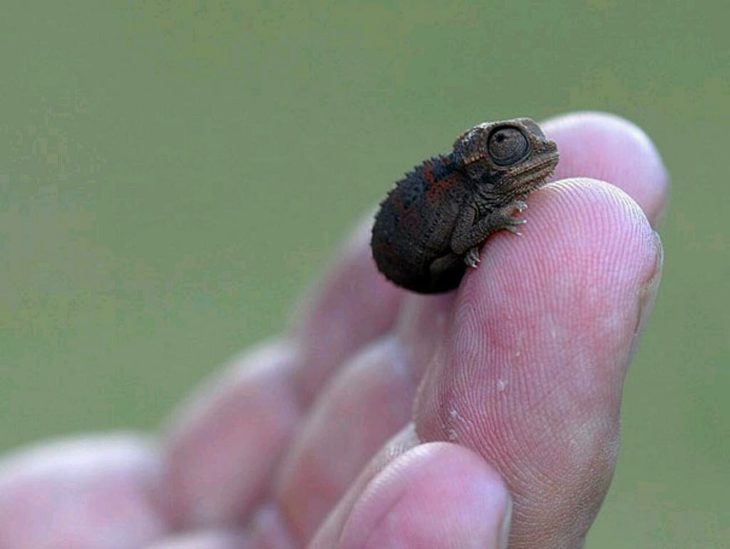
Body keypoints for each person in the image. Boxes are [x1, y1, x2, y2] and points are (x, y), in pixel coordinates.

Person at [0, 112, 668, 548]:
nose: (532, 159)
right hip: (410, 253)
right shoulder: (467, 192)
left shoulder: (476, 186)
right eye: (508, 148)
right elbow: (461, 231)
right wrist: (486, 232)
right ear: (480, 162)